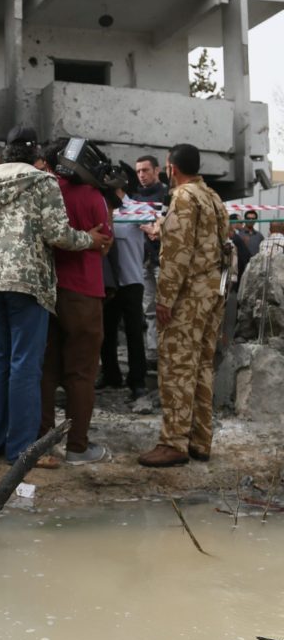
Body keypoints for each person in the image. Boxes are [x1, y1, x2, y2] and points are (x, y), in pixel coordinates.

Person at [0, 132, 110, 467]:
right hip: (29, 283)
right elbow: (58, 234)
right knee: (24, 366)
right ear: (35, 156)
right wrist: (90, 239)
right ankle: (22, 450)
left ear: (3, 156)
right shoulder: (42, 182)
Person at [139, 143, 229, 468]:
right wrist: (162, 232)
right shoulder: (213, 198)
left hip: (188, 296)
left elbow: (178, 255)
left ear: (171, 169)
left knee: (177, 367)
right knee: (203, 366)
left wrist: (164, 299)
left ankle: (174, 442)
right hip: (212, 294)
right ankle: (200, 441)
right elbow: (212, 243)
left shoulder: (183, 197)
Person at [39, 141, 113, 464]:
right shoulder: (93, 196)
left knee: (47, 372)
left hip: (47, 292)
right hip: (84, 293)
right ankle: (77, 448)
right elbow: (105, 245)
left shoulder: (46, 190)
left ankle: (42, 446)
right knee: (81, 374)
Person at [98, 186, 148, 400]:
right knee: (106, 332)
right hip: (109, 282)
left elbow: (149, 225)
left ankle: (137, 380)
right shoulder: (100, 208)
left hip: (131, 280)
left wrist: (154, 227)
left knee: (134, 333)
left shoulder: (138, 209)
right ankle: (111, 374)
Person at [133, 155, 168, 364]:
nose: (141, 175)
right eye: (138, 171)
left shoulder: (168, 195)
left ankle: (167, 351)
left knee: (166, 307)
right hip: (144, 261)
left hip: (163, 260)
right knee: (149, 310)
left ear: (157, 170)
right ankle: (154, 352)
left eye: (145, 170)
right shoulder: (135, 199)